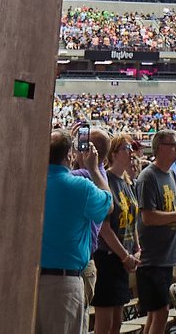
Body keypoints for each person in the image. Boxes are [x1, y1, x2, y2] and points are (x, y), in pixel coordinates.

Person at [39, 129, 110, 334]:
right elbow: (108, 204)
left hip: (30, 279)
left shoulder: (33, 181)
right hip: (64, 284)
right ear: (70, 155)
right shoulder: (81, 186)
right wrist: (94, 169)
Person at [133, 129, 176, 334]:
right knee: (160, 312)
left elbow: (170, 209)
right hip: (153, 258)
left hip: (165, 256)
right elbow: (148, 217)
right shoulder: (148, 177)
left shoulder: (169, 175)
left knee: (157, 313)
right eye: (173, 145)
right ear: (160, 148)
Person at [91, 135, 140, 334]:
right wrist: (125, 256)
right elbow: (104, 227)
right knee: (105, 322)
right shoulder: (106, 180)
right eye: (126, 148)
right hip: (109, 257)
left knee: (117, 323)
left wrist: (137, 249)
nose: (131, 152)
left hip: (124, 257)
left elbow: (132, 219)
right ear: (113, 154)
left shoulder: (127, 182)